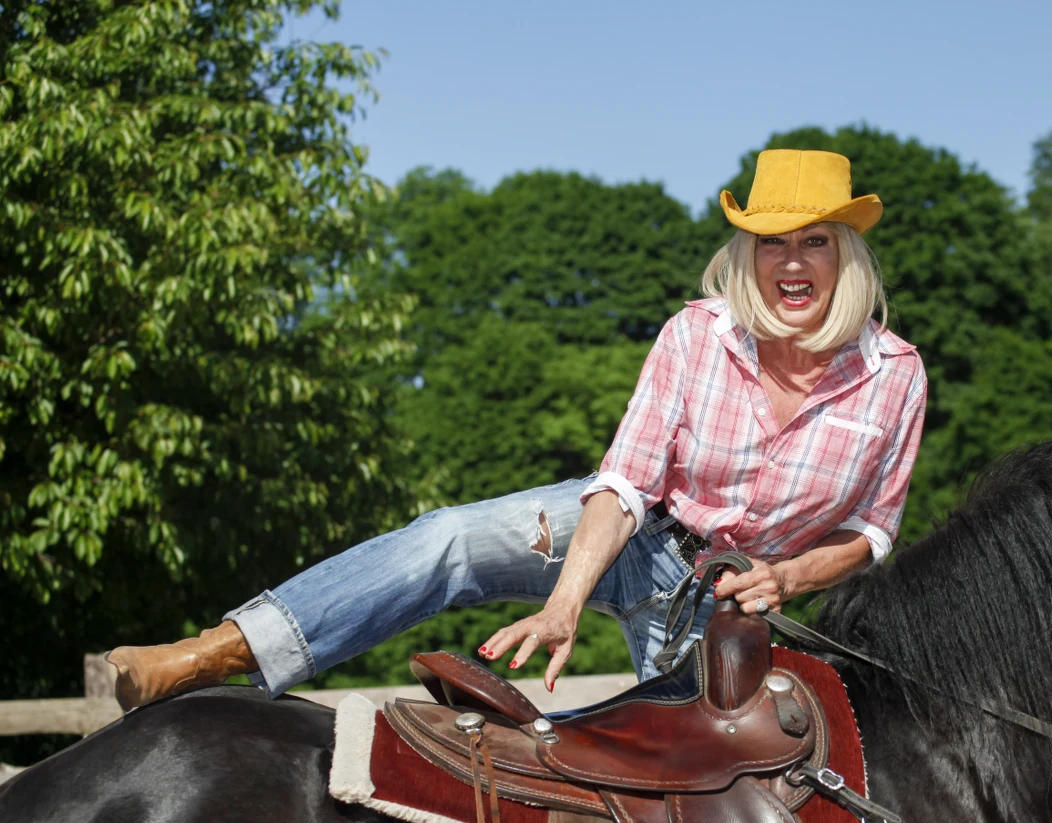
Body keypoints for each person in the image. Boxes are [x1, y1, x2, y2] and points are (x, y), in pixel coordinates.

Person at [107, 149, 929, 710]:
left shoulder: (896, 377)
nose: (792, 263)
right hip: (634, 532)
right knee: (450, 540)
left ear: (846, 253)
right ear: (746, 254)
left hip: (727, 594)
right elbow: (625, 484)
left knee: (708, 765)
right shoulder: (696, 336)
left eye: (814, 242)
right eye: (771, 242)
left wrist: (788, 576)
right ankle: (215, 652)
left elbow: (873, 533)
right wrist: (564, 601)